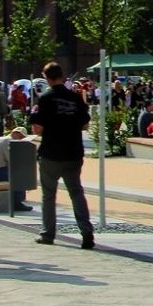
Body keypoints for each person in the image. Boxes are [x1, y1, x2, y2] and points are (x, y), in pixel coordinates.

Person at [28, 62, 93, 249]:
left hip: (51, 152)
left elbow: (37, 129)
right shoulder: (75, 98)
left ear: (47, 78)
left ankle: (48, 234)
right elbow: (85, 124)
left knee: (49, 195)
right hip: (73, 152)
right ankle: (86, 232)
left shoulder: (45, 99)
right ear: (62, 76)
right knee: (76, 192)